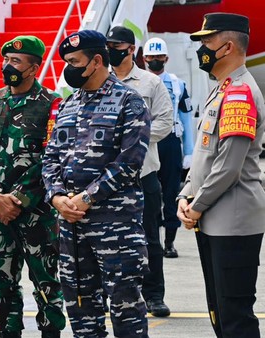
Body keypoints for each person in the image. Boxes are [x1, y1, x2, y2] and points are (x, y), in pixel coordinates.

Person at [43, 29, 151, 338]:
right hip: (71, 229)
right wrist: (57, 197)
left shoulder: (129, 101)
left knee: (125, 308)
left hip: (115, 225)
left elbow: (130, 161)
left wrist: (86, 198)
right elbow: (50, 159)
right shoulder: (67, 106)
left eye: (75, 61)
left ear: (97, 61)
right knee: (80, 312)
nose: (69, 68)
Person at [0, 35, 65, 338]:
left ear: (33, 67)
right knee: (2, 286)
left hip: (37, 215)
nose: (8, 66)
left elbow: (52, 157)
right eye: (6, 59)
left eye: (16, 62)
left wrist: (19, 200)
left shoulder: (52, 104)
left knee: (47, 284)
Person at [178, 13, 265, 338]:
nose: (202, 48)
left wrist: (196, 205)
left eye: (207, 41)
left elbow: (229, 165)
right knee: (219, 312)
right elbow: (204, 156)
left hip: (233, 221)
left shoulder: (240, 93)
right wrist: (185, 196)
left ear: (227, 46)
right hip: (212, 218)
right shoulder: (221, 90)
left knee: (235, 316)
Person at [107, 25, 174, 317]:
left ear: (131, 49)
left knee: (149, 239)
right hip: (108, 177)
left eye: (117, 45)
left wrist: (133, 142)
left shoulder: (150, 83)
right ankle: (117, 296)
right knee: (109, 240)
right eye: (108, 45)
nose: (111, 51)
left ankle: (154, 295)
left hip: (143, 174)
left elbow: (165, 121)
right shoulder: (100, 82)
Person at [143, 37, 194, 258]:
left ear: (166, 58)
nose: (155, 61)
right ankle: (151, 238)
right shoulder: (138, 82)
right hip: (148, 141)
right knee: (150, 192)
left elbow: (186, 118)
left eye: (159, 57)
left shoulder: (177, 84)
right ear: (144, 58)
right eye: (151, 57)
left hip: (171, 140)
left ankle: (170, 242)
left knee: (172, 191)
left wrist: (189, 151)